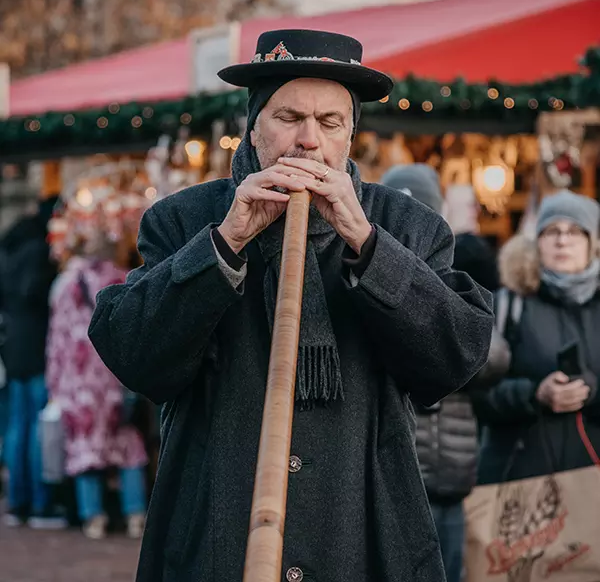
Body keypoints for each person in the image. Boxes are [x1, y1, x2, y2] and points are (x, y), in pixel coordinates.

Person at [89, 29, 494, 581]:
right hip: (216, 531)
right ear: (252, 128)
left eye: (330, 123)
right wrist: (223, 243)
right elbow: (133, 353)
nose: (308, 141)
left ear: (350, 137)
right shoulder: (183, 219)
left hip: (362, 535)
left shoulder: (406, 227)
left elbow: (455, 356)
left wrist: (367, 243)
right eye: (288, 117)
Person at [382, 164, 510, 582]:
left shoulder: (457, 268)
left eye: (420, 209)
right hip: (391, 478)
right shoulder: (369, 273)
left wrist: (438, 355)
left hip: (451, 476)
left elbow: (492, 354)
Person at [474, 190, 600, 484]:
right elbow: (477, 393)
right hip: (523, 484)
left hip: (593, 482)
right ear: (536, 243)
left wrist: (591, 389)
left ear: (592, 243)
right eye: (552, 230)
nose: (562, 240)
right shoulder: (509, 305)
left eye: (575, 231)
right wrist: (534, 395)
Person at [46, 246, 148, 540]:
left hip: (79, 383)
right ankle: (135, 513)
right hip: (116, 377)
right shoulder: (123, 278)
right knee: (128, 445)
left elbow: (57, 339)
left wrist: (54, 385)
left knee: (85, 449)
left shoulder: (65, 286)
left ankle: (93, 517)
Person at [0, 197, 66, 528]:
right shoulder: (40, 253)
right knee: (39, 426)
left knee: (18, 426)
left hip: (12, 348)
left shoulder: (8, 254)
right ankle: (41, 503)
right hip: (38, 346)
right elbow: (36, 294)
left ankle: (17, 501)